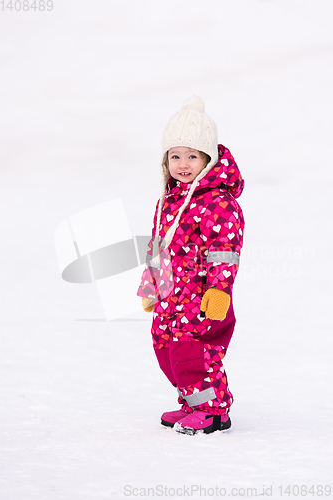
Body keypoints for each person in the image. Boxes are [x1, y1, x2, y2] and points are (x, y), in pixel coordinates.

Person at [137, 96, 245, 435]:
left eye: (192, 156)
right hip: (171, 299)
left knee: (195, 355)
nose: (183, 164)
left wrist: (218, 290)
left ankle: (214, 411)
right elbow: (159, 246)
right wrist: (151, 285)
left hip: (200, 298)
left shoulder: (218, 202)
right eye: (175, 156)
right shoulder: (167, 201)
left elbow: (225, 249)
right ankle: (191, 402)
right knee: (167, 351)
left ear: (207, 158)